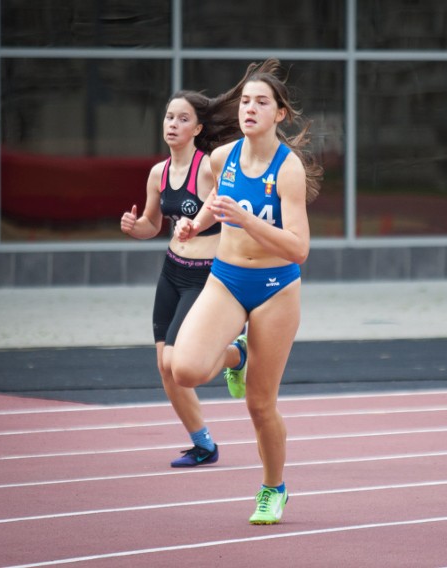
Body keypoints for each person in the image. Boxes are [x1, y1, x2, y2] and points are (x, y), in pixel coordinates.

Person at [172, 59, 322, 525]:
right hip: (227, 278)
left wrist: (250, 219)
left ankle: (273, 489)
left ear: (280, 114)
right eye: (245, 101)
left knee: (260, 405)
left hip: (276, 288)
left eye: (261, 102)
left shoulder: (288, 169)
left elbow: (300, 249)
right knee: (186, 369)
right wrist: (193, 223)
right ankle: (237, 354)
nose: (250, 108)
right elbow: (217, 208)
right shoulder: (222, 158)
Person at [120, 89, 243, 468]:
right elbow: (153, 225)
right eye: (169, 117)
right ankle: (203, 443)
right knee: (164, 366)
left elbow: (226, 204)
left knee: (179, 364)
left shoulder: (208, 167)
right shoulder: (158, 173)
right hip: (171, 272)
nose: (173, 124)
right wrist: (134, 226)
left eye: (183, 119)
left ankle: (238, 355)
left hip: (204, 277)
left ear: (198, 128)